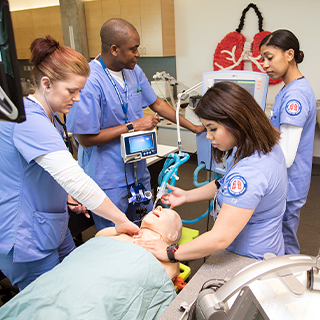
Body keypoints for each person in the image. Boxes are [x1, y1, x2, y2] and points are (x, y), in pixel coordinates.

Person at [0, 36, 141, 291]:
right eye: (71, 91)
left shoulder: (49, 116)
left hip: (53, 225)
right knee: (49, 304)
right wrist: (121, 220)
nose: (77, 99)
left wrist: (65, 195)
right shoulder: (28, 121)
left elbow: (39, 168)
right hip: (26, 237)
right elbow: (75, 177)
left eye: (80, 91)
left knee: (73, 288)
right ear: (46, 84)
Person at [66, 18, 204, 231]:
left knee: (147, 227)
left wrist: (193, 127)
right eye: (133, 49)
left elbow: (157, 103)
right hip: (108, 174)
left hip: (137, 167)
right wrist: (133, 126)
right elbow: (85, 139)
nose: (138, 54)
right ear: (114, 49)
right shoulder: (89, 81)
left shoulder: (133, 71)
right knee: (117, 233)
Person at [137, 81, 287, 262]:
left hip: (248, 258)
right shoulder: (265, 147)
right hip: (269, 247)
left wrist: (170, 252)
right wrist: (186, 196)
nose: (208, 136)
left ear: (236, 121)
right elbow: (224, 185)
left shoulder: (249, 173)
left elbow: (219, 238)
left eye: (213, 128)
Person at [259, 29, 317, 254]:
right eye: (263, 58)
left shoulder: (296, 96)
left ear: (290, 54)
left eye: (269, 57)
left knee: (283, 240)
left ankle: (293, 280)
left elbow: (287, 155)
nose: (264, 64)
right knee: (281, 237)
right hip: (286, 181)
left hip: (289, 183)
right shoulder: (289, 89)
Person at [96, 206, 182, 280]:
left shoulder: (167, 256)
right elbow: (98, 237)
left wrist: (170, 253)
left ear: (173, 235)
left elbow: (170, 274)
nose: (158, 207)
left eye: (167, 213)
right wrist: (122, 230)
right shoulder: (125, 235)